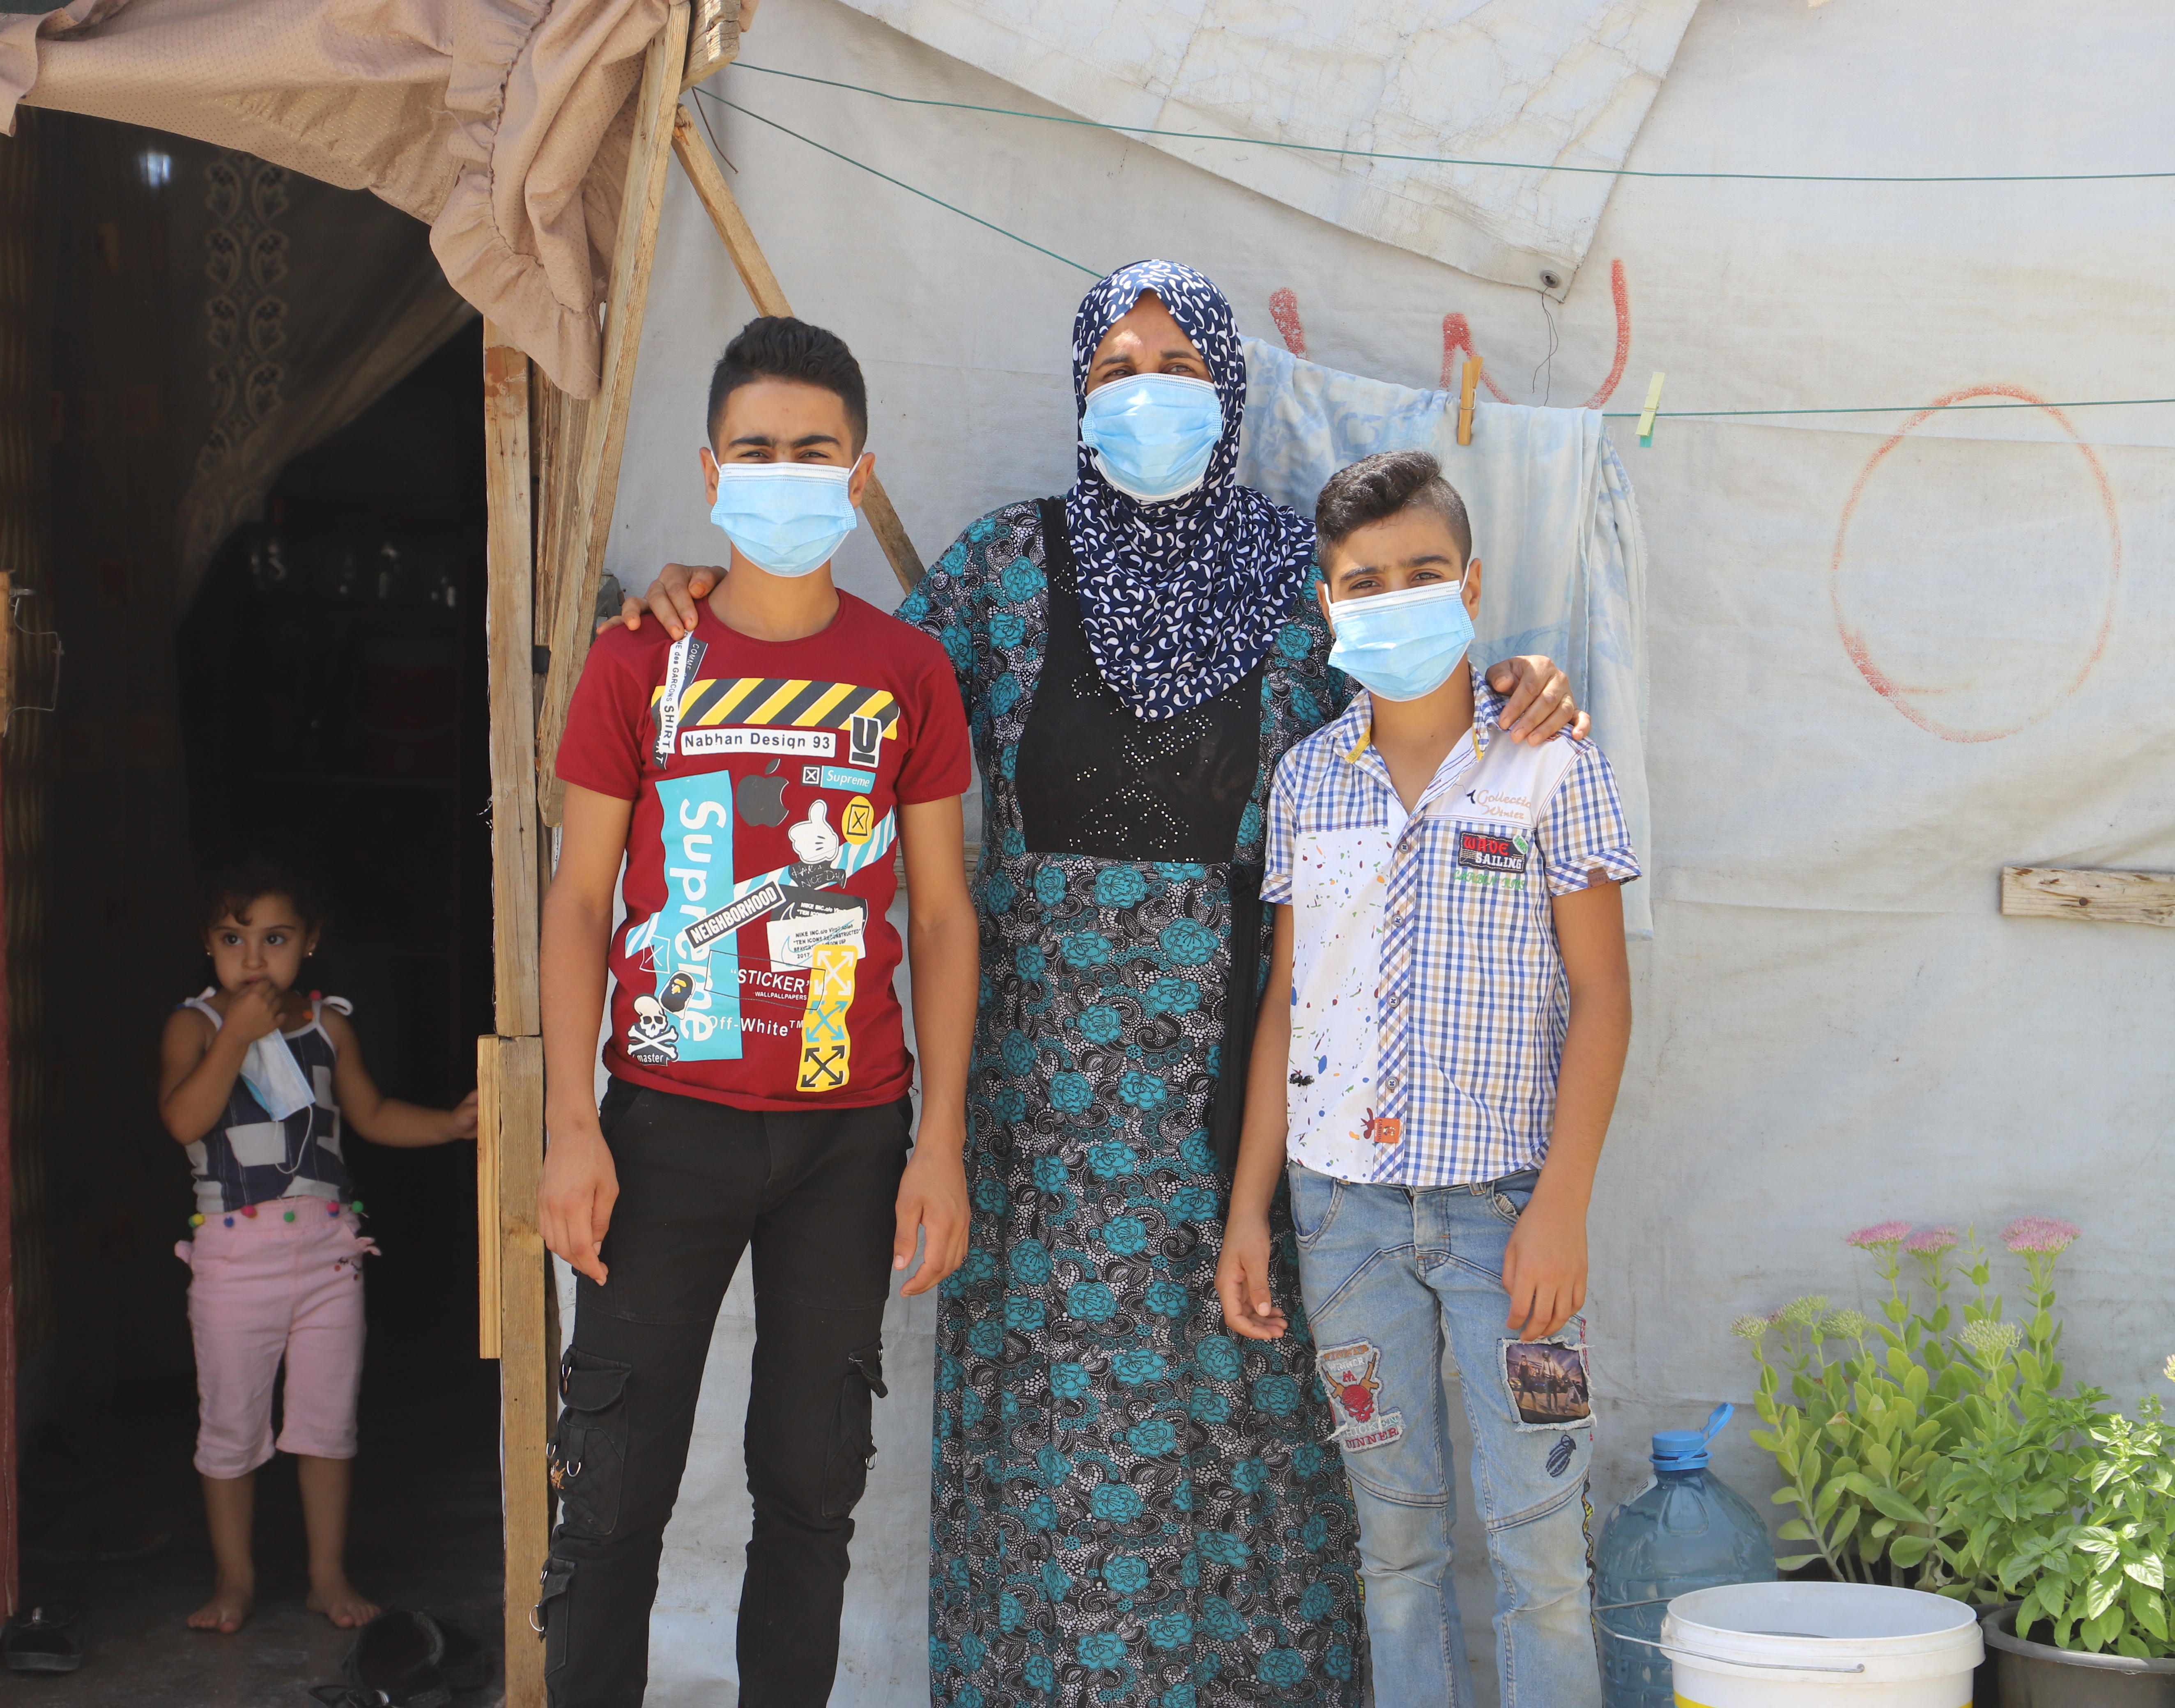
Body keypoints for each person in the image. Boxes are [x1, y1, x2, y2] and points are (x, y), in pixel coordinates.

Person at [619, 262, 1589, 1703]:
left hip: (1249, 1089)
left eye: (1181, 362)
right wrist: (712, 594)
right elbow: (852, 693)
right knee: (1059, 1450)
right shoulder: (1005, 571)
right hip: (1036, 1105)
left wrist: (1518, 683)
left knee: (1250, 1424)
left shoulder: (1299, 574)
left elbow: (1416, 717)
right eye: (1115, 366)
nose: (1147, 390)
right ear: (1080, 398)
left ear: (1230, 391)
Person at [536, 316, 977, 1707]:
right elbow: (575, 902)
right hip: (661, 1130)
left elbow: (949, 918)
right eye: (757, 450)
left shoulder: (909, 673)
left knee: (812, 1492)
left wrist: (941, 1142)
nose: (785, 474)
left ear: (857, 474)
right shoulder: (636, 665)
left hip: (853, 1144)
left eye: (814, 451)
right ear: (710, 465)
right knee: (610, 1493)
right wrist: (568, 1127)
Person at [1219, 450, 1635, 1708]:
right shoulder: (1306, 782)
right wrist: (1252, 1207)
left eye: (1423, 572)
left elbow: (1605, 997)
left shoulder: (1550, 767)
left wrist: (1560, 1205)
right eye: (1364, 582)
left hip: (1508, 1218)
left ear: (1472, 584)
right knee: (1394, 1550)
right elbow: (1284, 1005)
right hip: (1341, 1220)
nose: (1395, 598)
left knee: (1539, 1548)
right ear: (1328, 605)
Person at [156, 857, 479, 1635]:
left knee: (327, 1423)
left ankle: (326, 1575)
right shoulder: (195, 1025)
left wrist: (450, 1123)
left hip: (331, 1259)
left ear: (311, 942)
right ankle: (234, 1579)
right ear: (208, 943)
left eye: (275, 937)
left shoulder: (329, 1025)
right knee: (231, 1423)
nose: (254, 958)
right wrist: (236, 1036)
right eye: (234, 939)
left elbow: (369, 1115)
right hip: (234, 1263)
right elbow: (183, 1121)